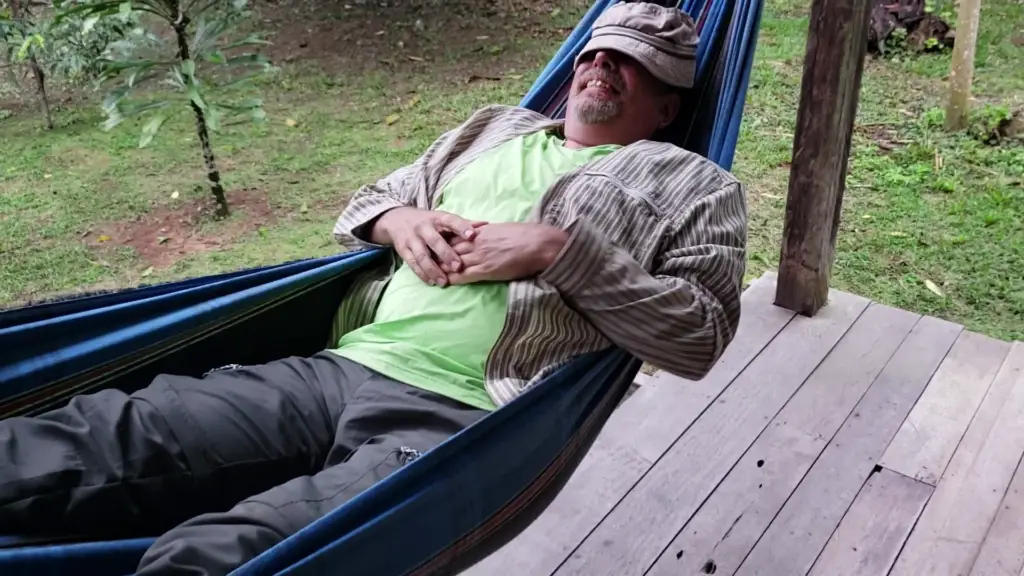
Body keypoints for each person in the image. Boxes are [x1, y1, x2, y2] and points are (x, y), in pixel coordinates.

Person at [0, 3, 747, 574]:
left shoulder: (695, 184)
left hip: (465, 416)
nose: (601, 65)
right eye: (596, 51)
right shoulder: (493, 128)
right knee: (105, 434)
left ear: (668, 107)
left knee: (238, 553)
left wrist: (562, 253)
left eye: (632, 61)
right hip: (337, 368)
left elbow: (700, 335)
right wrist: (398, 221)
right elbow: (364, 202)